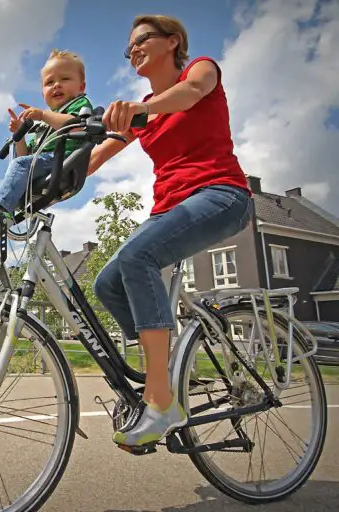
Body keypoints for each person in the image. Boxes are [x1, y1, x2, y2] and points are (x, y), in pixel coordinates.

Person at [88, 14, 253, 449]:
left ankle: (160, 399)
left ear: (171, 41)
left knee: (135, 257)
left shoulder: (200, 69)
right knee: (107, 284)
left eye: (141, 41)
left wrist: (141, 108)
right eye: (129, 49)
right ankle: (163, 364)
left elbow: (190, 93)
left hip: (221, 194)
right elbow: (94, 161)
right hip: (170, 210)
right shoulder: (144, 111)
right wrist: (34, 181)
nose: (133, 51)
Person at [0, 49, 93, 249]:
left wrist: (43, 115)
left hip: (63, 162)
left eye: (64, 79)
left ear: (81, 87)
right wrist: (19, 135)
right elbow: (24, 157)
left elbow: (78, 125)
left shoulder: (79, 104)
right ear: (43, 92)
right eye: (49, 82)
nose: (56, 85)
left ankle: (0, 211)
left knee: (17, 169)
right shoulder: (43, 125)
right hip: (43, 164)